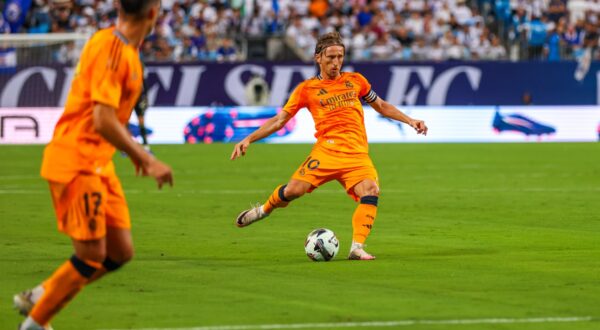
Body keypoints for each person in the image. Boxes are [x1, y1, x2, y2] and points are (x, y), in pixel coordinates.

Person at [12, 0, 173, 329]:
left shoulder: (128, 53)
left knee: (120, 251)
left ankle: (42, 294)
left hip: (99, 163)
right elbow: (102, 119)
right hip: (76, 161)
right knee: (90, 255)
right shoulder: (110, 48)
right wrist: (146, 158)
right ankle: (33, 324)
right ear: (154, 13)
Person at [230, 32, 427, 260]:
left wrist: (410, 121)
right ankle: (262, 211)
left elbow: (381, 105)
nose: (336, 63)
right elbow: (279, 120)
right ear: (318, 58)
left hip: (356, 155)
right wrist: (248, 138)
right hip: (326, 152)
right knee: (294, 190)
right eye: (331, 57)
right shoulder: (307, 89)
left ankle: (357, 247)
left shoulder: (356, 81)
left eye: (340, 57)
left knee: (371, 190)